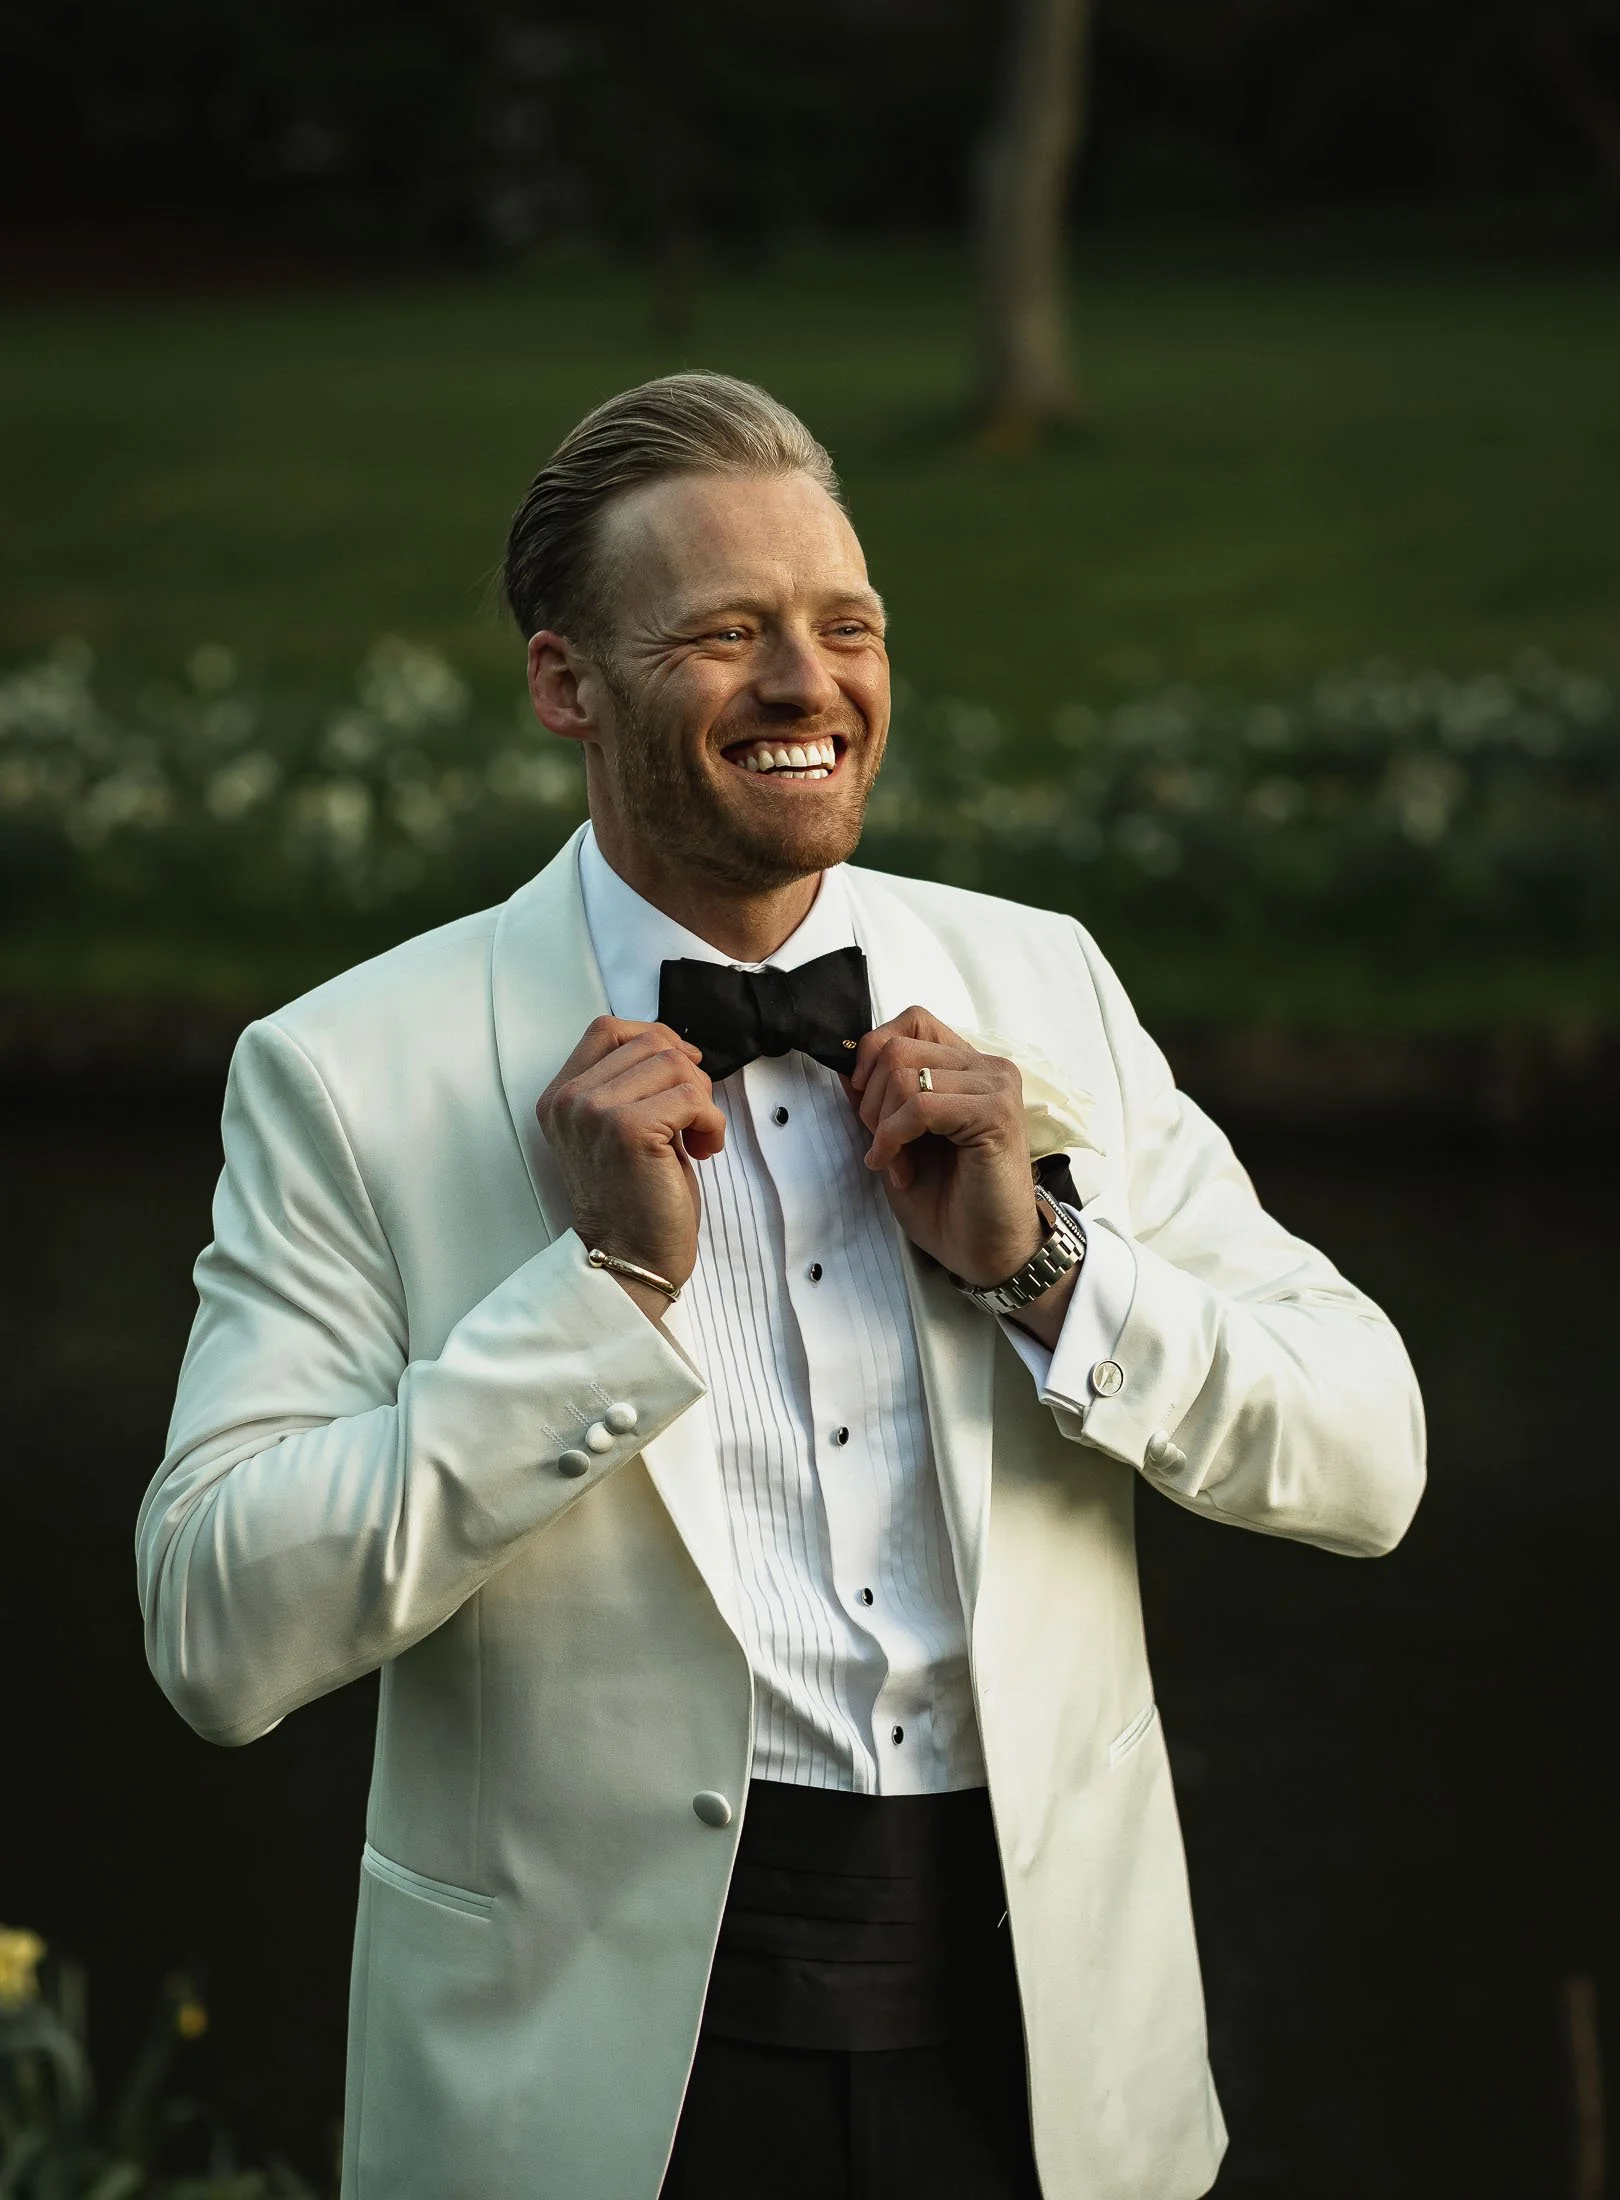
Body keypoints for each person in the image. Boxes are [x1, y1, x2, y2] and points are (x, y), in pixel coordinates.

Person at [138, 373, 1425, 2200]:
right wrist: (592, 1301)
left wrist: (1046, 1265)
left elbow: (1369, 1461)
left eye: (845, 628)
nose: (807, 684)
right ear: (564, 685)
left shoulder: (1043, 984)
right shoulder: (349, 1070)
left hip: (1048, 2064)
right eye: (726, 634)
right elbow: (212, 1631)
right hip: (589, 2090)